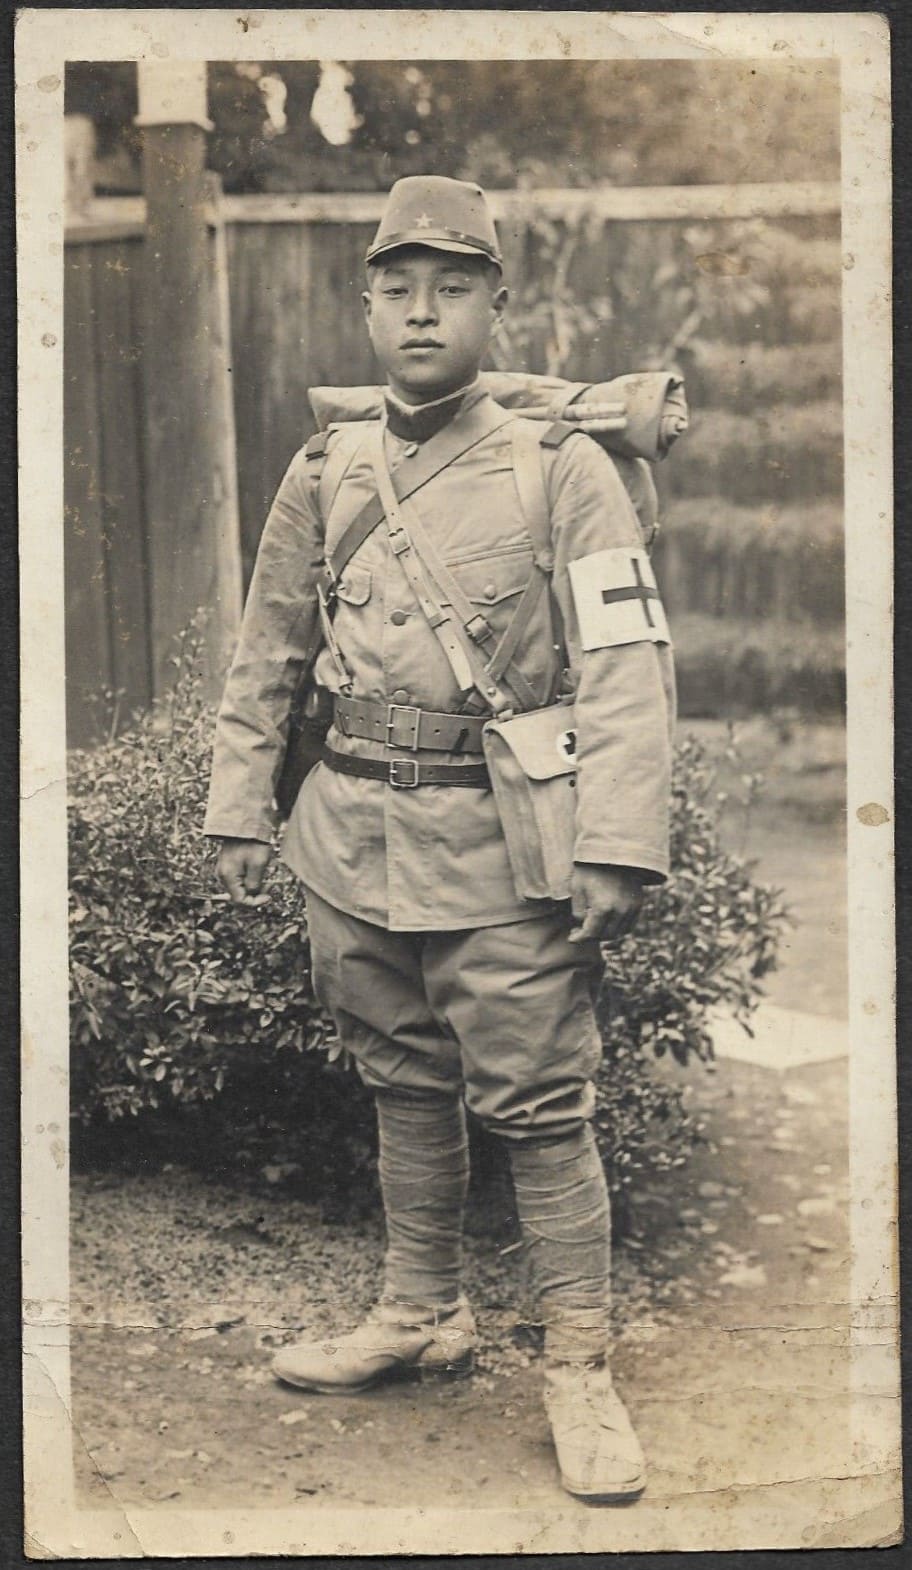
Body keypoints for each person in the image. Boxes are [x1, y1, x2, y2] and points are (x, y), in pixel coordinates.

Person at [204, 175, 676, 1505]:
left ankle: (578, 1362)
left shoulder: (566, 467)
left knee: (537, 1095)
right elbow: (268, 650)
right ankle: (420, 1308)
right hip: (350, 827)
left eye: (453, 287)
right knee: (400, 1075)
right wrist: (242, 801)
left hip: (503, 840)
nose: (423, 311)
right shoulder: (324, 466)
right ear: (366, 303)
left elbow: (629, 668)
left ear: (495, 306)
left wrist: (618, 841)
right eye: (399, 288)